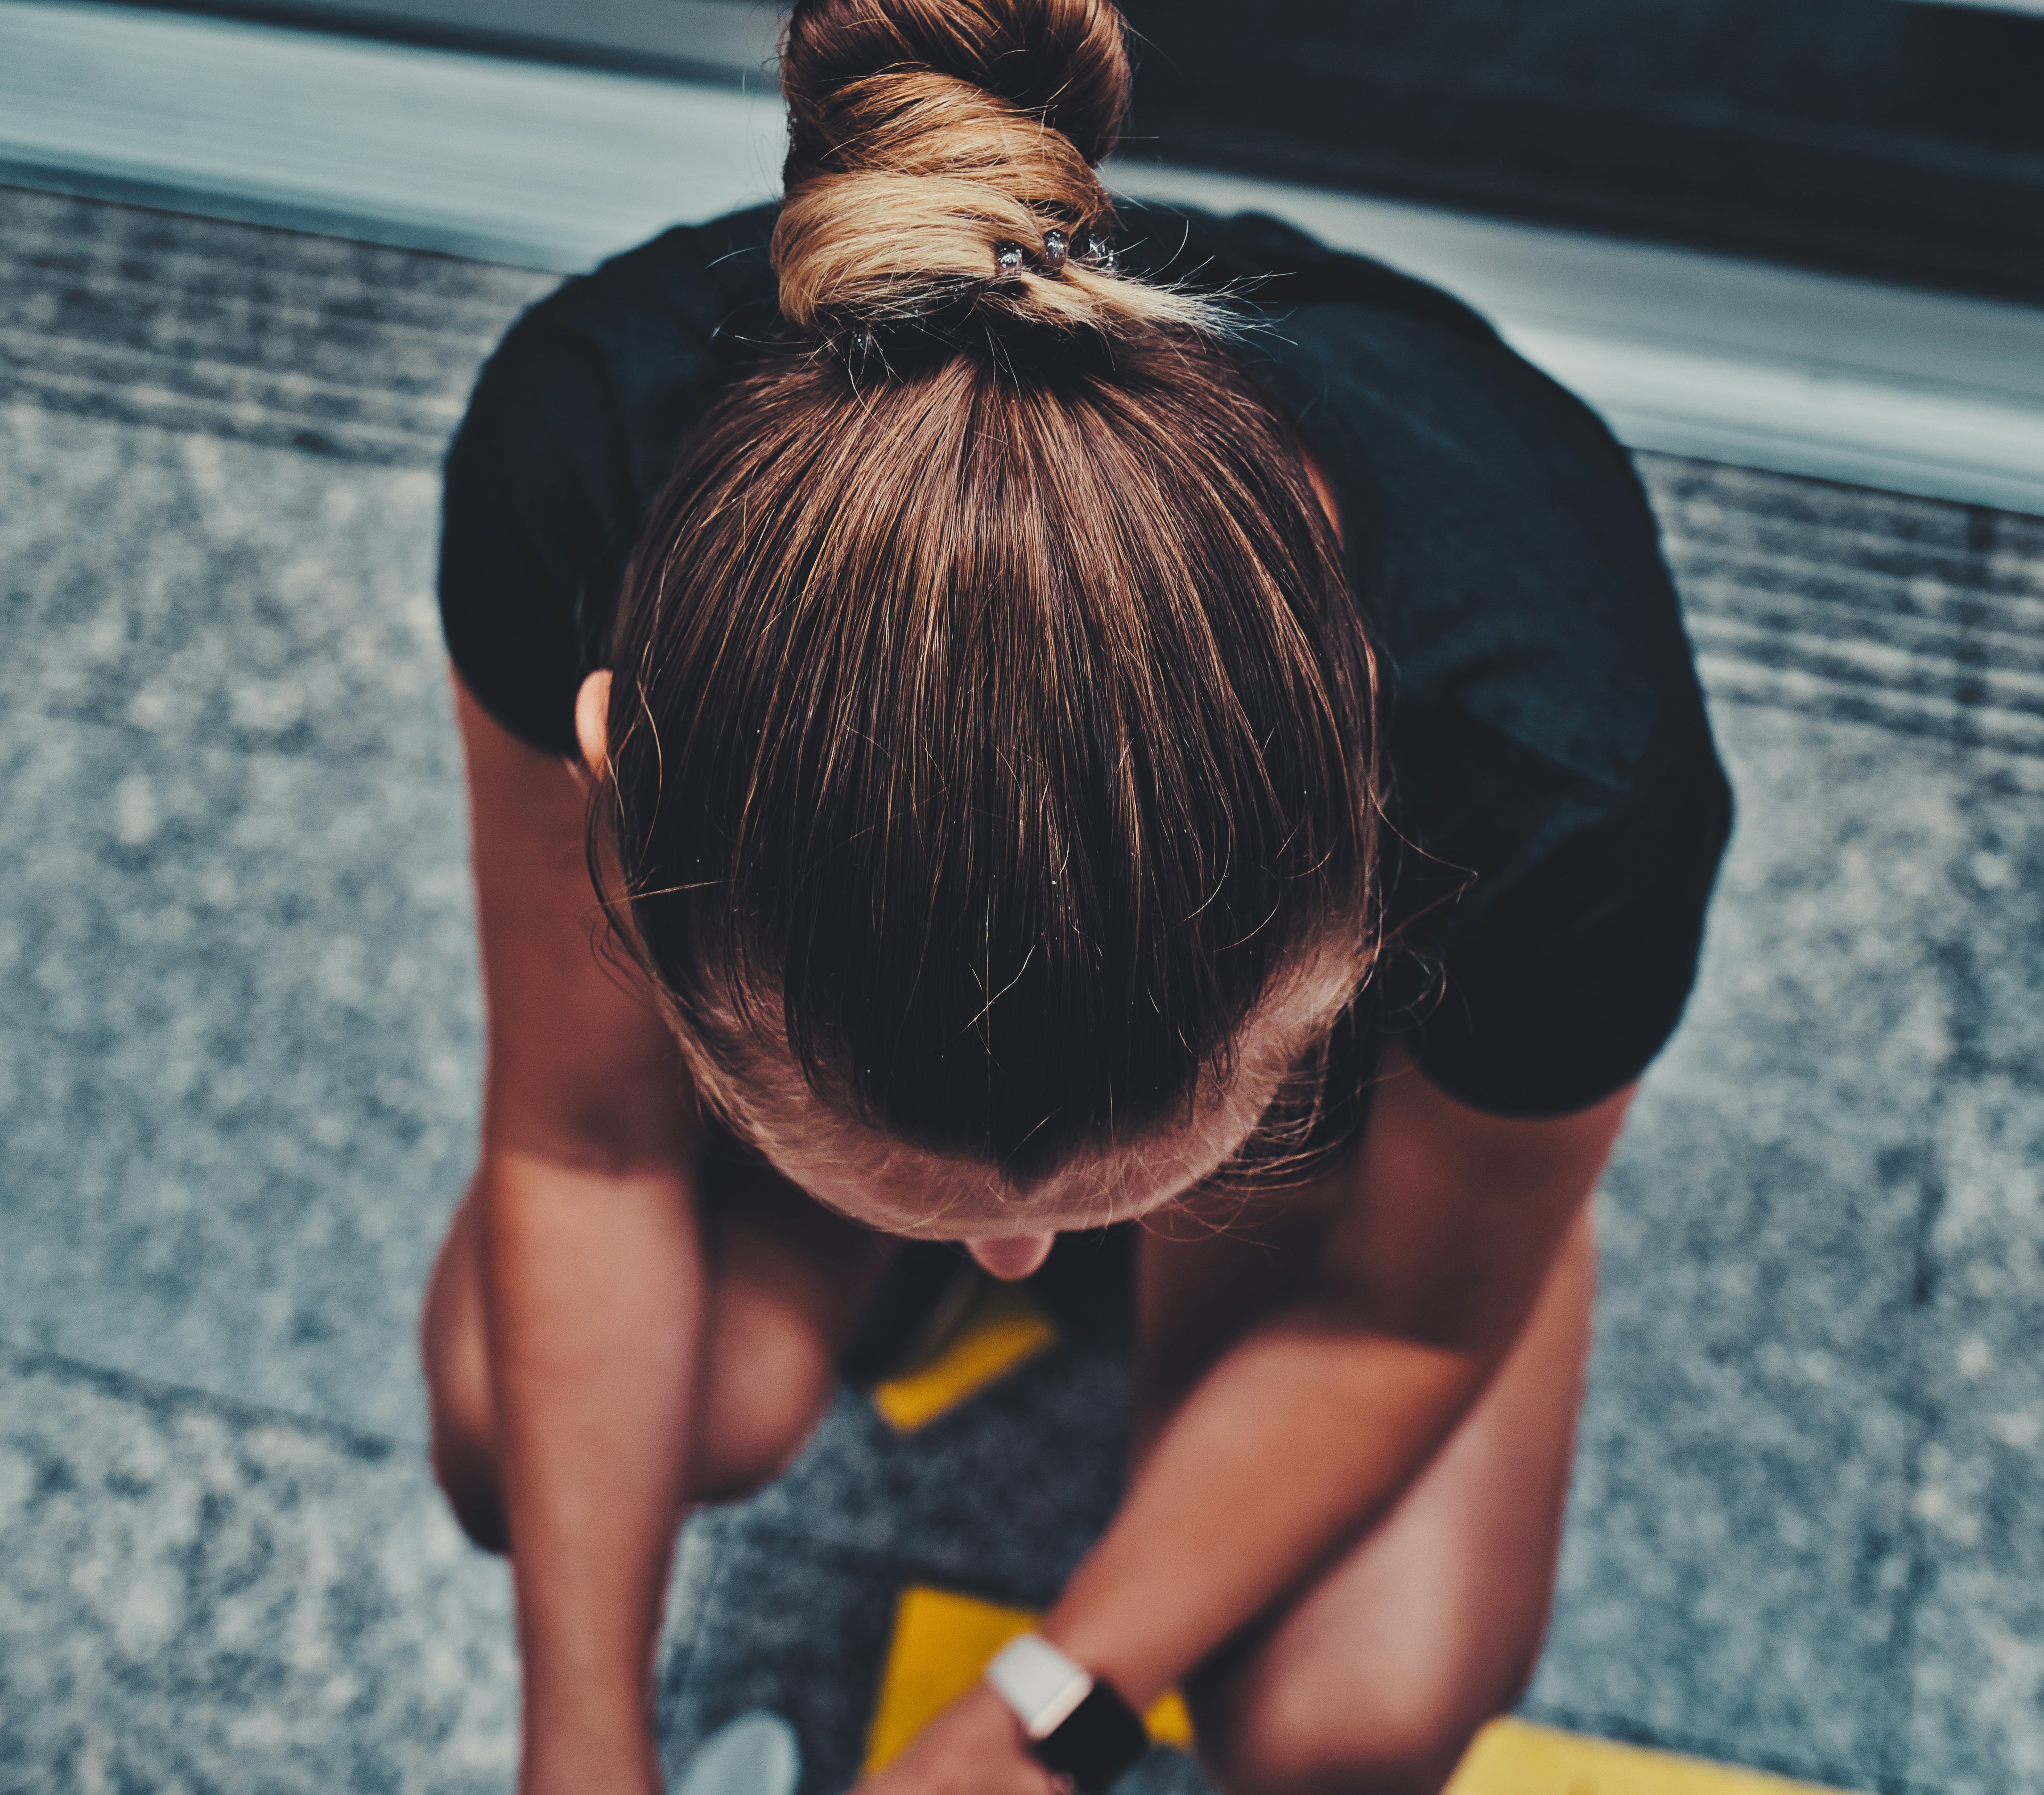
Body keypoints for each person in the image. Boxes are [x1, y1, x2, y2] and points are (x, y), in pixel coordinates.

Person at [419, 1, 1733, 1790]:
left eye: (1059, 1205)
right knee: (530, 1420)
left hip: (1389, 1083)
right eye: (974, 1211)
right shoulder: (578, 457)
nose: (1030, 1260)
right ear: (622, 779)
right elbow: (586, 1144)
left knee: (1343, 1720)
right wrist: (577, 1751)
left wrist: (1039, 1716)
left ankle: (1422, 1157)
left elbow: (1404, 1317)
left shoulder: (1561, 770)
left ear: (1374, 908)